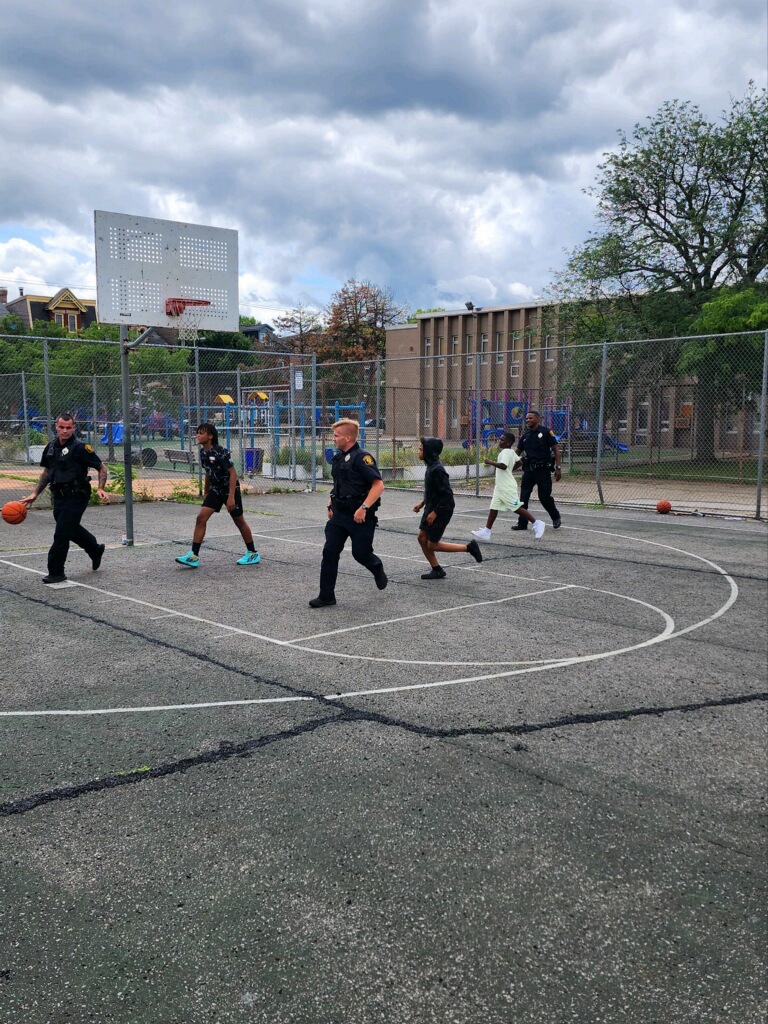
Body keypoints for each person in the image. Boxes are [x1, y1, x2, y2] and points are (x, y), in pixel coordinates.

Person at [20, 412, 109, 584]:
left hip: (77, 496)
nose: (65, 431)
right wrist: (34, 494)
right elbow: (47, 473)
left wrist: (101, 488)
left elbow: (102, 468)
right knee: (70, 529)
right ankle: (95, 549)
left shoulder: (81, 448)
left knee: (61, 534)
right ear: (56, 427)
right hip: (58, 497)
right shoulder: (51, 447)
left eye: (69, 427)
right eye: (62, 427)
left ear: (74, 427)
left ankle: (56, 572)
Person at [309, 418, 388, 608]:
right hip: (340, 515)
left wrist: (364, 508)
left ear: (347, 437)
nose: (333, 439)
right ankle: (326, 595)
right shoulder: (338, 458)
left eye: (336, 436)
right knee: (329, 551)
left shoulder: (362, 458)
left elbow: (378, 485)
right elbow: (339, 485)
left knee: (360, 554)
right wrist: (330, 503)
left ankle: (376, 566)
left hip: (360, 517)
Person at [175, 423, 261, 569]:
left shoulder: (220, 452)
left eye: (201, 433)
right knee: (201, 518)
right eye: (197, 433)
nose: (198, 435)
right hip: (216, 490)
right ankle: (193, 556)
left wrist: (231, 497)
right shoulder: (203, 453)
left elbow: (233, 473)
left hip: (229, 489)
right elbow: (209, 472)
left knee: (239, 521)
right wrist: (206, 491)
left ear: (210, 436)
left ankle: (252, 553)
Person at [413, 436, 483, 579]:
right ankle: (437, 569)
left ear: (429, 452)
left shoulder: (438, 470)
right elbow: (433, 492)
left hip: (442, 509)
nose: (418, 451)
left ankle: (469, 548)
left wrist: (435, 513)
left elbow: (447, 495)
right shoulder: (430, 467)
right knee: (421, 538)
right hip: (432, 507)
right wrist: (422, 504)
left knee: (432, 545)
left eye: (421, 449)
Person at [472, 430, 545, 540]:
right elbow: (520, 462)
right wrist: (510, 470)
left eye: (502, 440)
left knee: (515, 507)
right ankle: (487, 531)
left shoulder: (505, 452)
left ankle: (537, 523)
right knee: (494, 507)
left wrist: (489, 462)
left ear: (508, 443)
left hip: (506, 486)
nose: (499, 441)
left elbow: (503, 466)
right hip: (500, 486)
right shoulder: (511, 453)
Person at [514, 410, 562, 531]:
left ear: (538, 419)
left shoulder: (546, 432)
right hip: (529, 471)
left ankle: (555, 517)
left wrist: (558, 468)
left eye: (531, 418)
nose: (528, 420)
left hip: (543, 471)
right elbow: (517, 453)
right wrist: (509, 464)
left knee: (544, 497)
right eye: (527, 419)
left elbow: (556, 449)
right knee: (523, 498)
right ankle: (522, 523)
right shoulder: (525, 436)